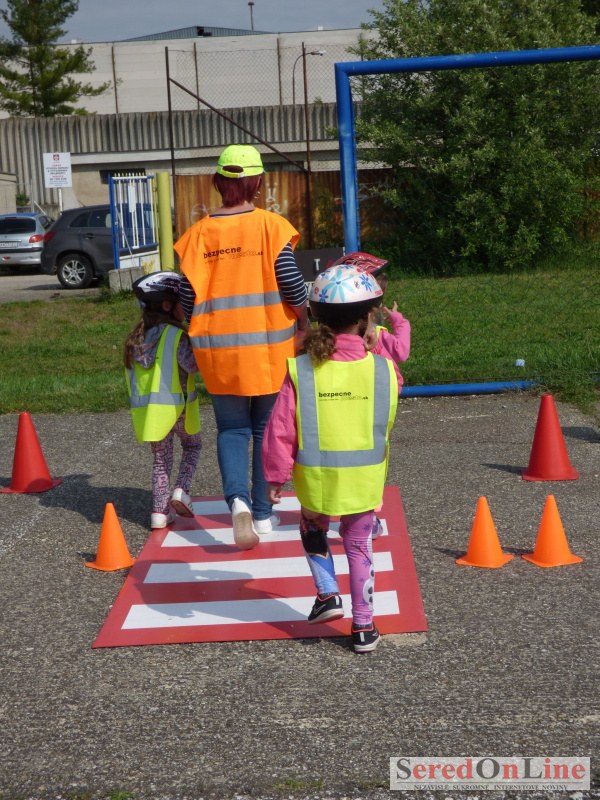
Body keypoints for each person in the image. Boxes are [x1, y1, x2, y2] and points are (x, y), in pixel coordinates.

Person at [174, 143, 308, 550]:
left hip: (217, 350)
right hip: (270, 348)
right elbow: (291, 284)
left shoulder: (197, 235)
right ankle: (264, 514)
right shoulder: (271, 227)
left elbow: (187, 297)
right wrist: (304, 317)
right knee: (266, 429)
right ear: (258, 183)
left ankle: (238, 504)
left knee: (232, 429)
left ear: (218, 182)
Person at [262, 264, 398, 653]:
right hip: (364, 479)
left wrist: (275, 477)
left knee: (312, 528)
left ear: (317, 315)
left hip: (316, 478)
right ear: (367, 317)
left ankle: (327, 593)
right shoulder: (385, 369)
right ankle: (364, 627)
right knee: (360, 547)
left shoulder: (302, 369)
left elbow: (281, 428)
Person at [124, 271, 202, 530]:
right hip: (178, 408)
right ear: (168, 305)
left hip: (152, 414)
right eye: (183, 302)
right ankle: (181, 490)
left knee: (161, 460)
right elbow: (192, 366)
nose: (186, 307)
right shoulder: (174, 335)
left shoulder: (136, 340)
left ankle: (159, 512)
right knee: (192, 447)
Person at [332, 252, 411, 392]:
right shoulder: (377, 335)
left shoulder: (326, 339)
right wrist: (399, 321)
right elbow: (401, 352)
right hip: (376, 396)